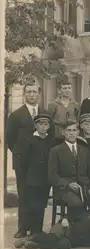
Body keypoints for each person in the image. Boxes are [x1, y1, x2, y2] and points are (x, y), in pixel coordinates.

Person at [7, 79, 49, 238]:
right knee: (24, 194)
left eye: (34, 92)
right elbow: (10, 139)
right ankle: (23, 228)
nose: (32, 95)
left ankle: (37, 228)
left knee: (40, 194)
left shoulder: (45, 113)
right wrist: (19, 154)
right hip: (23, 163)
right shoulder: (16, 115)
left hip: (41, 163)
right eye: (29, 92)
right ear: (24, 94)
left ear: (39, 94)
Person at [48, 120, 90, 221]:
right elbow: (52, 175)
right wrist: (68, 184)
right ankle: (75, 229)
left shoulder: (84, 150)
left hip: (84, 187)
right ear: (63, 132)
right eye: (69, 130)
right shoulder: (55, 151)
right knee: (77, 203)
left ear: (78, 132)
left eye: (74, 130)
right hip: (64, 189)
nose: (72, 133)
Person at [14, 198, 90, 249]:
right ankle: (31, 238)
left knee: (63, 245)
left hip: (71, 240)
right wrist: (65, 219)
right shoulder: (84, 214)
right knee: (53, 238)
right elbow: (68, 215)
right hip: (64, 228)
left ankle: (35, 244)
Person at [20, 114, 56, 235]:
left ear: (49, 126)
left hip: (44, 178)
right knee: (30, 203)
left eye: (46, 124)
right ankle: (24, 228)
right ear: (35, 125)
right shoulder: (29, 140)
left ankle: (37, 229)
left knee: (41, 204)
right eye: (40, 124)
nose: (43, 127)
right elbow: (23, 160)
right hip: (31, 176)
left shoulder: (50, 141)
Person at [48, 77, 80, 144]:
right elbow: (49, 120)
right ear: (59, 90)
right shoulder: (53, 104)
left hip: (71, 136)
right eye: (64, 88)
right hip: (58, 136)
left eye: (69, 88)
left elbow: (78, 119)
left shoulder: (75, 104)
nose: (67, 90)